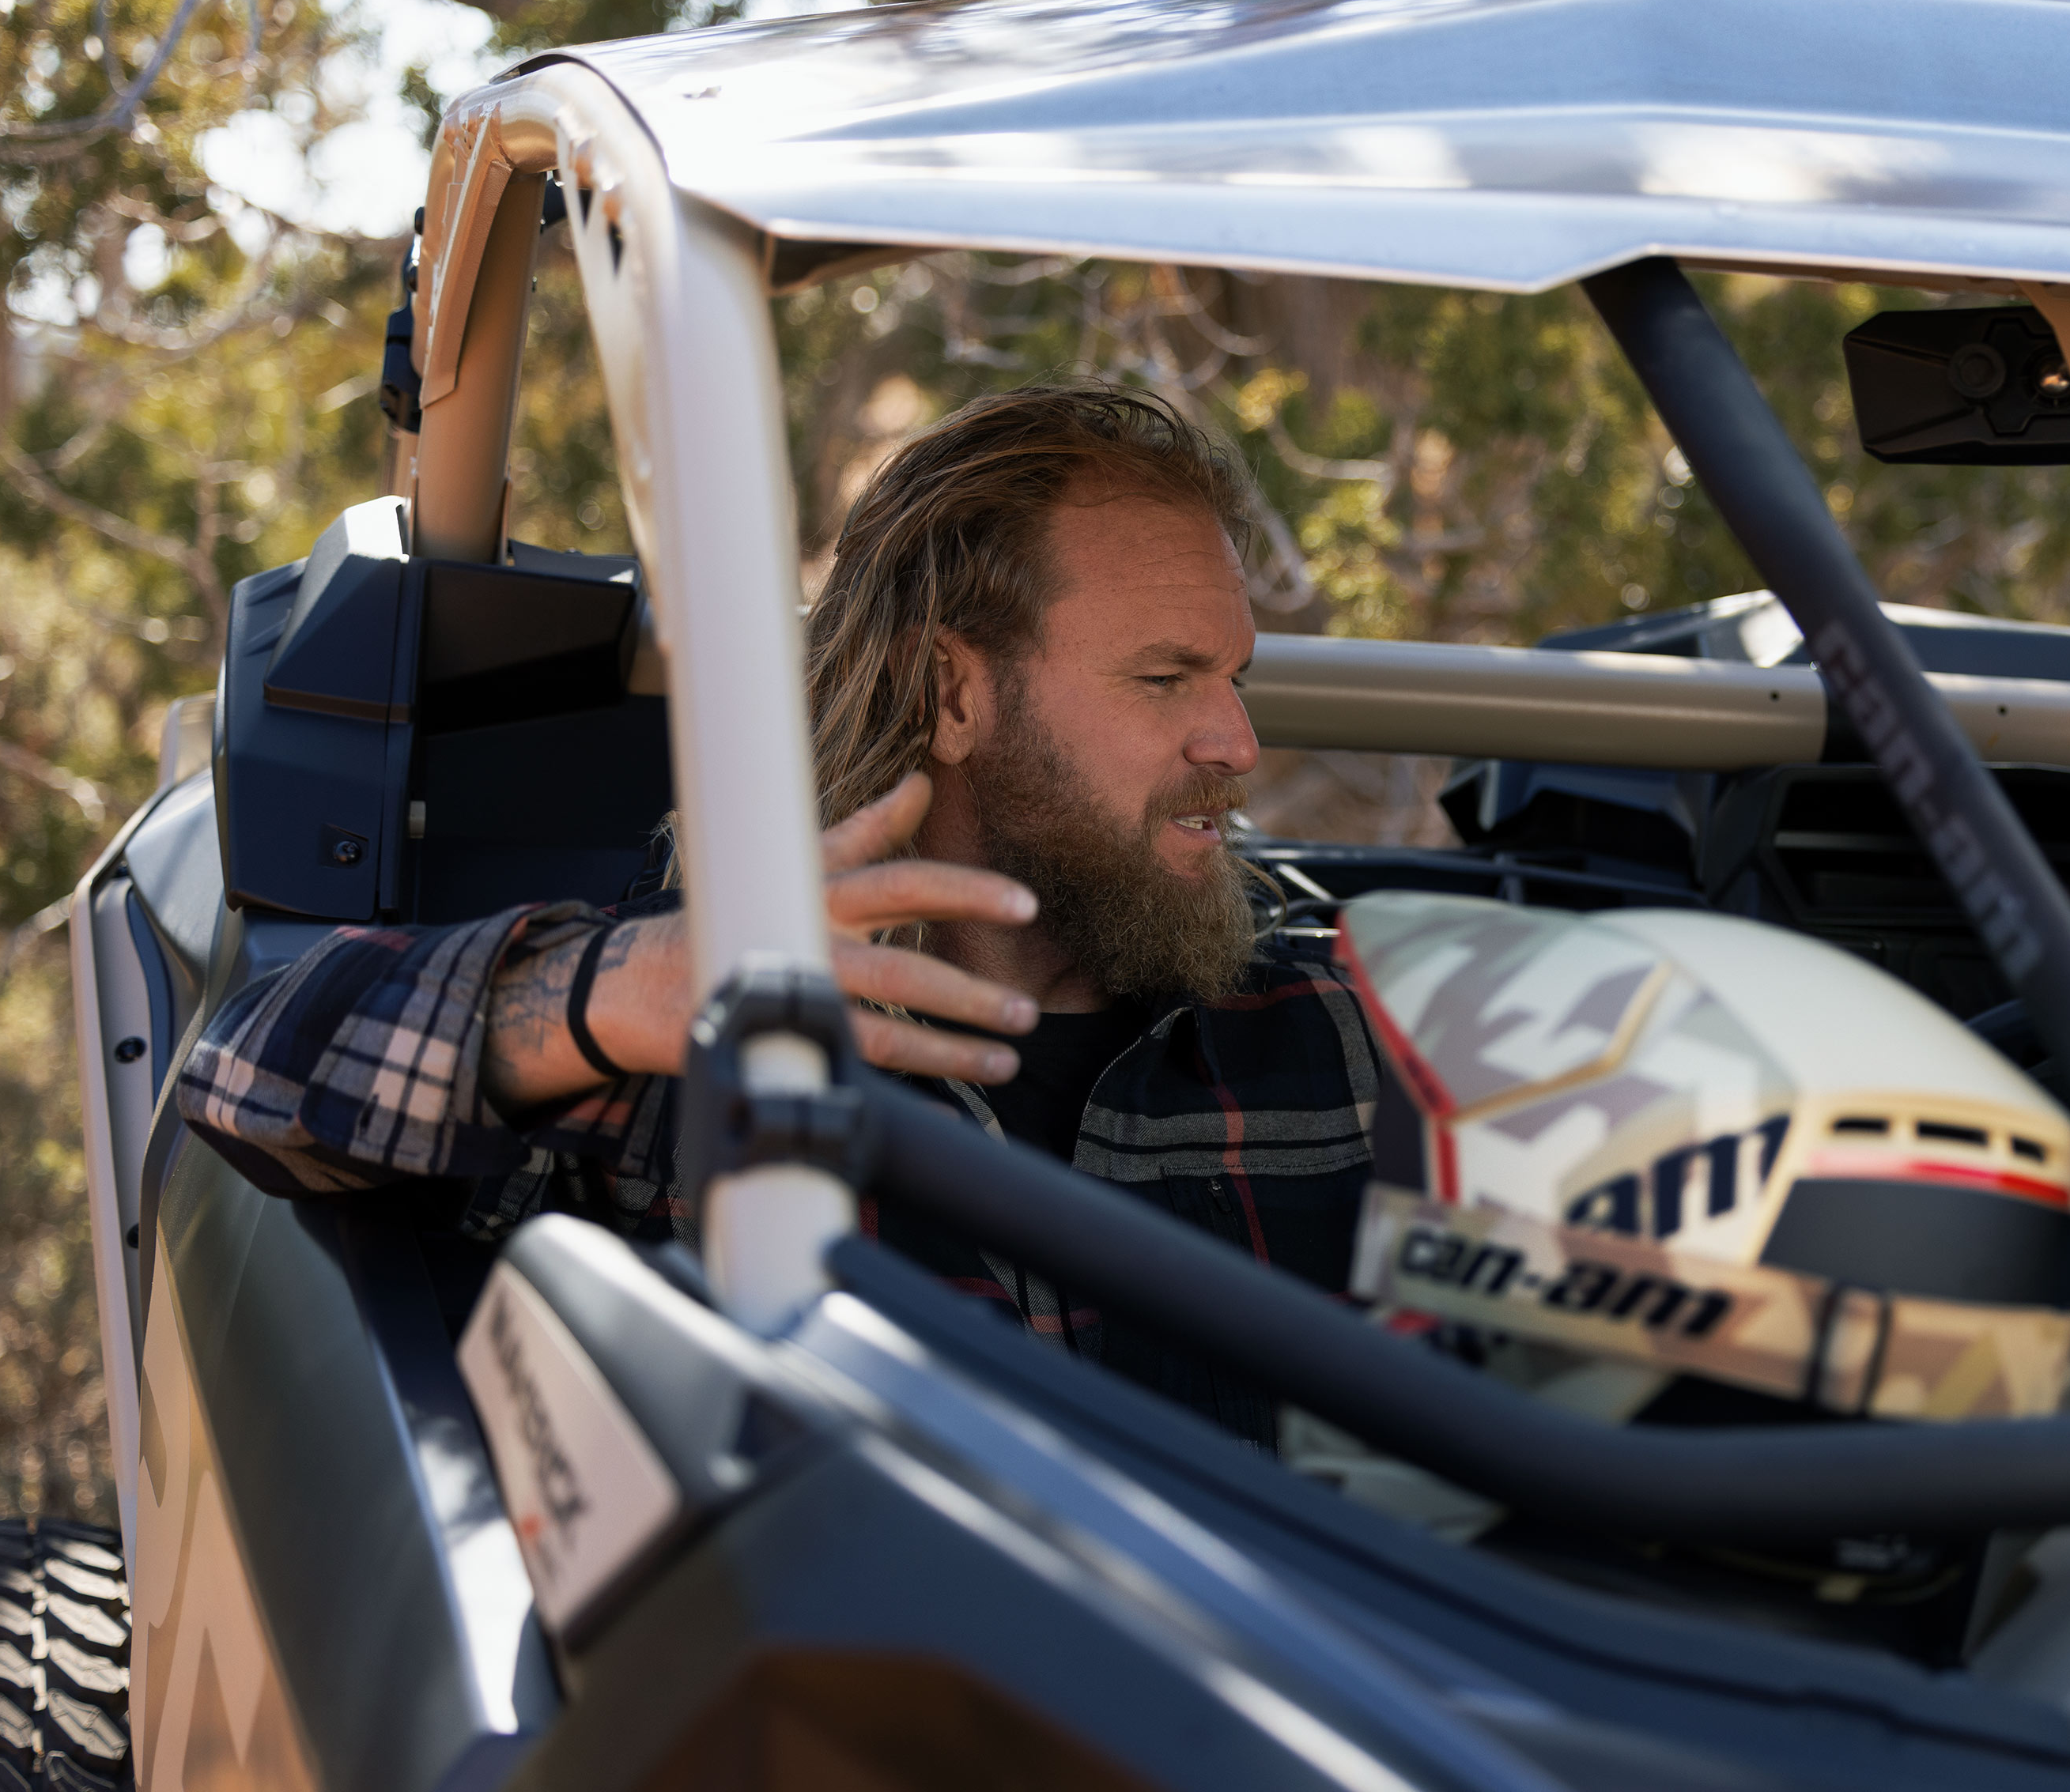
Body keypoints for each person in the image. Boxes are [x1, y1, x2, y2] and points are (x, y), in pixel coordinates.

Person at [180, 382, 1383, 1444]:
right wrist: (611, 993)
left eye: (1238, 679)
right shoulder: (698, 1023)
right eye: (1167, 679)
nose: (1239, 743)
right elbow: (248, 1080)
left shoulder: (1334, 1028)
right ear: (951, 693)